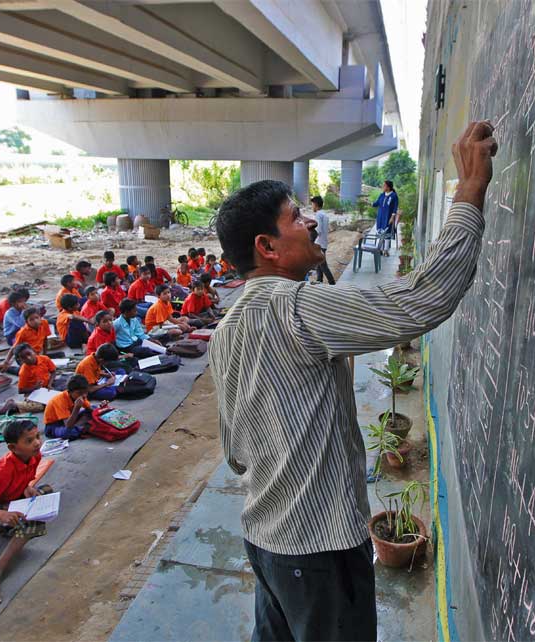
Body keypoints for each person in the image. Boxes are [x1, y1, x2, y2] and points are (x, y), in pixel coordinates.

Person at [207, 121, 496, 642]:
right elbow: (421, 299)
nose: (313, 223)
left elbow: (235, 451)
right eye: (297, 217)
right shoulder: (297, 307)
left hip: (267, 538)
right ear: (267, 247)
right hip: (318, 550)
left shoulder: (226, 329)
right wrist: (470, 193)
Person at [0, 419, 53, 605]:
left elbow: (25, 480)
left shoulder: (34, 456)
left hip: (10, 502)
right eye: (29, 441)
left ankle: (14, 528)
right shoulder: (3, 470)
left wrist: (27, 488)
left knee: (46, 491)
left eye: (37, 437)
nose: (37, 443)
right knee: (31, 524)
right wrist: (2, 514)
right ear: (13, 447)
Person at [43, 374, 93, 439]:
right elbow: (68, 425)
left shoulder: (81, 396)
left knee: (93, 409)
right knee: (68, 433)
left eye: (86, 392)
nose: (84, 395)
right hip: (54, 426)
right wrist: (76, 408)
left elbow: (89, 408)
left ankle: (80, 428)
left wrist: (102, 408)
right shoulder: (59, 400)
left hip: (70, 418)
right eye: (79, 393)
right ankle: (81, 428)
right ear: (70, 392)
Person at [310, 195, 336, 284]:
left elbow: (318, 230)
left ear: (316, 204)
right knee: (319, 265)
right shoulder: (324, 214)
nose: (312, 206)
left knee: (323, 265)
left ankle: (332, 283)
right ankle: (319, 281)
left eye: (312, 204)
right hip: (323, 243)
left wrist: (310, 239)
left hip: (319, 244)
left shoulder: (318, 215)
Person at [372, 179, 399, 256]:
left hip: (388, 217)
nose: (382, 186)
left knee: (386, 233)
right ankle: (379, 249)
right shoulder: (382, 195)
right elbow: (376, 203)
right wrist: (369, 202)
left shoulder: (393, 196)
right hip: (380, 217)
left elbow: (395, 207)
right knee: (379, 231)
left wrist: (392, 217)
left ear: (388, 187)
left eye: (384, 185)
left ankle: (386, 250)